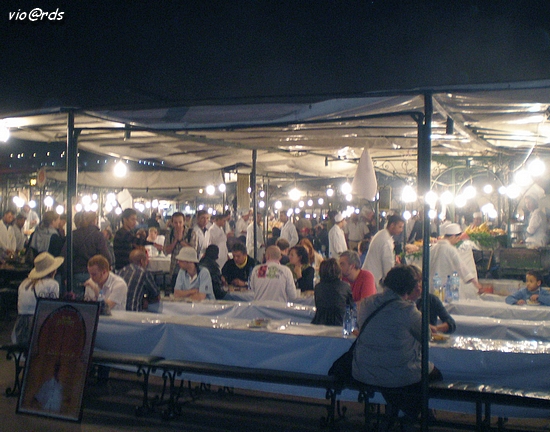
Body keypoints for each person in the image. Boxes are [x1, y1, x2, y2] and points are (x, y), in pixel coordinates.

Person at [352, 265, 442, 426]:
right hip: (394, 372)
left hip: (364, 369)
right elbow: (426, 335)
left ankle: (398, 412)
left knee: (397, 375)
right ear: (409, 287)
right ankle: (412, 413)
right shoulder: (407, 310)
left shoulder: (366, 303)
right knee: (433, 374)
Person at [11, 252, 62, 345]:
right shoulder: (52, 284)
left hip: (20, 325)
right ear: (52, 270)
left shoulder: (24, 283)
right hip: (38, 324)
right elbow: (52, 308)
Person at [62, 211, 112, 298]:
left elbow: (65, 256)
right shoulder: (98, 235)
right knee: (93, 300)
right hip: (94, 274)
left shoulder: (73, 235)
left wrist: (65, 276)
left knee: (77, 302)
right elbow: (105, 256)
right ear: (95, 220)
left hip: (76, 274)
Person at [429, 223, 482, 295]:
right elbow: (461, 267)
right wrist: (475, 283)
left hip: (431, 286)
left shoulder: (432, 248)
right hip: (445, 287)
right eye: (457, 238)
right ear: (453, 236)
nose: (457, 241)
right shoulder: (451, 249)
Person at [408, 265, 456, 334]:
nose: (418, 285)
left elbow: (451, 324)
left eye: (420, 281)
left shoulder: (431, 299)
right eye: (415, 282)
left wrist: (436, 328)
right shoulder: (402, 301)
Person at [362, 214, 405, 292]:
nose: (401, 230)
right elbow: (388, 268)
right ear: (392, 225)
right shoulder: (386, 241)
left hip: (369, 276)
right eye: (400, 227)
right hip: (374, 279)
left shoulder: (381, 233)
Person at [311, 258, 352, 326]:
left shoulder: (318, 287)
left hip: (320, 323)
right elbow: (351, 307)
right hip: (340, 323)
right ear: (338, 271)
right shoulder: (345, 286)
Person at [163, 212, 189, 289]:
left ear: (184, 222)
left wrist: (181, 240)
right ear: (172, 223)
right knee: (175, 290)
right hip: (174, 267)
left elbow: (194, 251)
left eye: (180, 222)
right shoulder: (169, 233)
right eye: (175, 222)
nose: (178, 225)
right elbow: (166, 251)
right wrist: (175, 241)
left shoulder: (191, 233)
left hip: (188, 268)